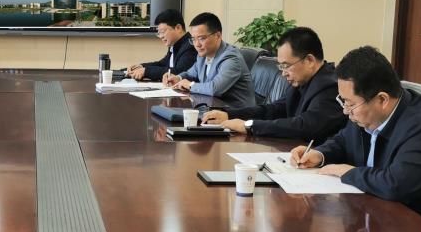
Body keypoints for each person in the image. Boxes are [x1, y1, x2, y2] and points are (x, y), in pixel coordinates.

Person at [290, 45, 421, 218]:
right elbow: (344, 140)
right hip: (379, 216)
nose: (345, 111)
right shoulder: (366, 113)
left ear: (382, 100)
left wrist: (347, 172)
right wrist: (319, 154)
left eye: (350, 103)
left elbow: (396, 185)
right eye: (343, 101)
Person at [202, 26, 345, 140]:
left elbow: (305, 126)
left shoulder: (331, 87)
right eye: (281, 66)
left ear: (309, 60)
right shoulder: (302, 80)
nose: (283, 73)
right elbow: (274, 109)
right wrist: (229, 114)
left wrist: (248, 125)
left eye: (286, 65)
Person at [162, 12, 256, 107]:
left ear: (218, 36)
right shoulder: (203, 55)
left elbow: (215, 88)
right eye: (193, 39)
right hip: (212, 107)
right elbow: (190, 74)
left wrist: (190, 85)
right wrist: (178, 78)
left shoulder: (231, 58)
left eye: (201, 38)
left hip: (236, 112)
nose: (197, 44)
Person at [126, 10, 196, 81]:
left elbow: (179, 72)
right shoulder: (175, 45)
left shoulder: (191, 46)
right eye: (159, 33)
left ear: (178, 28)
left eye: (162, 31)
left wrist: (146, 71)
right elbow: (162, 64)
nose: (161, 36)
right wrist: (141, 66)